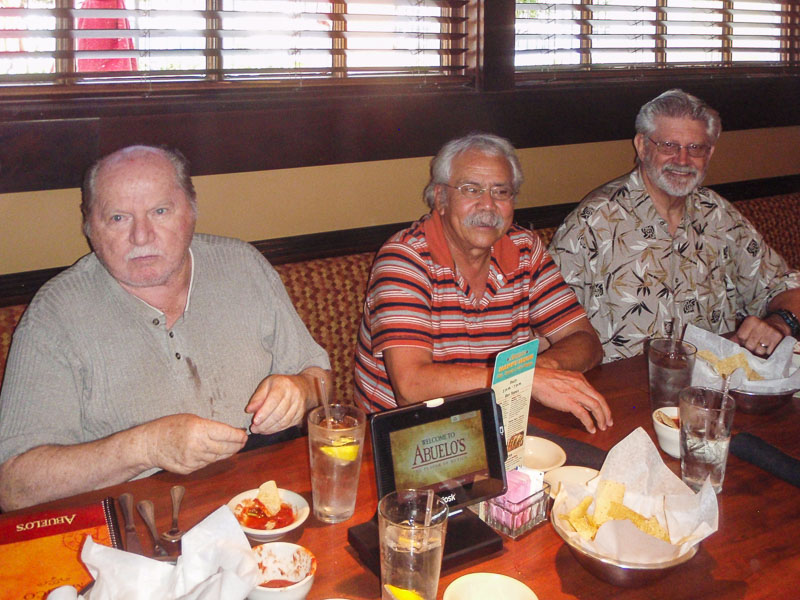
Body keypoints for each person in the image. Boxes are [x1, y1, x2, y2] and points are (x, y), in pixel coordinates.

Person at [0, 145, 330, 510]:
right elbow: (14, 486)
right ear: (89, 225)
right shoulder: (53, 315)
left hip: (266, 506)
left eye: (160, 211)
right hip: (135, 526)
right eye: (118, 218)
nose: (141, 236)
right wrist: (146, 447)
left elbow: (321, 380)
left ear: (191, 210)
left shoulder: (244, 266)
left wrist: (300, 388)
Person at [354, 132, 612, 434]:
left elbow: (587, 341)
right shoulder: (405, 258)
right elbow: (411, 386)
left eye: (501, 192)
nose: (488, 205)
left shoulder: (525, 249)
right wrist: (524, 380)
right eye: (471, 190)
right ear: (441, 198)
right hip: (408, 437)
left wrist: (542, 371)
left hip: (499, 425)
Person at [549, 89, 800, 363]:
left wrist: (779, 323)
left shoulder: (717, 215)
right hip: (625, 393)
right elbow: (546, 322)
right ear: (642, 146)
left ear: (710, 152)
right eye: (668, 145)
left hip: (713, 384)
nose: (682, 160)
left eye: (695, 148)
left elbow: (784, 286)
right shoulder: (593, 223)